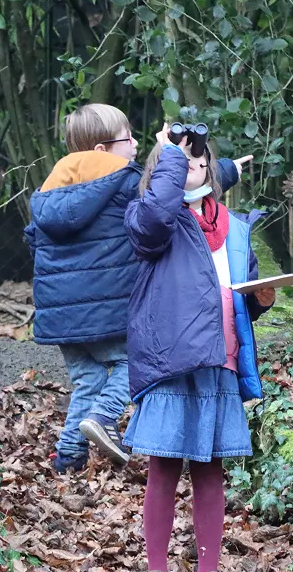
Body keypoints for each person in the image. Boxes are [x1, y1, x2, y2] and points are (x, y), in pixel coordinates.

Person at [24, 105, 251, 473]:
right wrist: (226, 169)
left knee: (88, 379)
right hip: (108, 311)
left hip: (60, 317)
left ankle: (68, 457)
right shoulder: (125, 182)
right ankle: (105, 416)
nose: (135, 144)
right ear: (101, 150)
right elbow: (169, 192)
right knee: (136, 362)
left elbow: (34, 242)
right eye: (126, 138)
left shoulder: (49, 191)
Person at [123, 123, 275, 572]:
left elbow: (236, 297)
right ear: (162, 168)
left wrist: (261, 301)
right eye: (182, 162)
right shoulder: (151, 219)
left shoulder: (233, 224)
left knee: (211, 473)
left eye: (200, 161)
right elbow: (154, 219)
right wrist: (170, 154)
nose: (194, 168)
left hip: (220, 361)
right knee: (164, 469)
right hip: (171, 362)